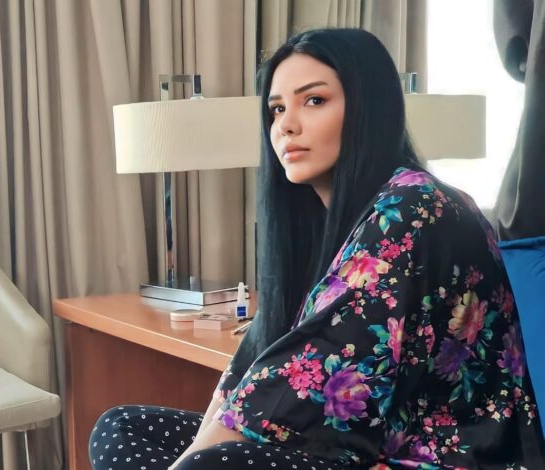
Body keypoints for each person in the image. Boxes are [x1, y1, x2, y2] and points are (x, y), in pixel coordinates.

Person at [88, 28, 545, 469]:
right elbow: (250, 371)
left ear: (368, 108)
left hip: (432, 457)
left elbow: (310, 373)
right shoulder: (327, 225)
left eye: (314, 101)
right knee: (122, 428)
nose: (286, 125)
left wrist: (196, 462)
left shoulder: (415, 205)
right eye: (276, 109)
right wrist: (190, 457)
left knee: (217, 460)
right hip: (362, 446)